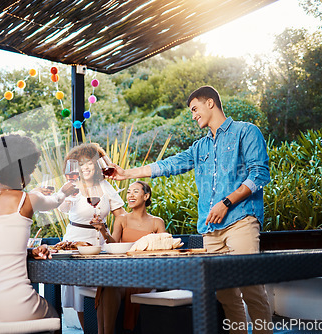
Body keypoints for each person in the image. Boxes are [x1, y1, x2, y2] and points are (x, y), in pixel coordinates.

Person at [109, 86, 272, 334]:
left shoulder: (246, 131)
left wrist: (226, 202)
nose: (193, 115)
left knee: (251, 287)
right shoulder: (199, 148)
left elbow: (259, 174)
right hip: (210, 230)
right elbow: (169, 165)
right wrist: (126, 173)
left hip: (240, 220)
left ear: (210, 103)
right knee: (226, 297)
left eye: (195, 109)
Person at [0, 134, 75, 324]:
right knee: (54, 317)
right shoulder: (28, 199)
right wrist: (63, 192)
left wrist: (29, 251)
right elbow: (54, 201)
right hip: (13, 303)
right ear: (22, 171)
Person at [59, 143, 126, 329]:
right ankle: (88, 331)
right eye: (80, 164)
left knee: (102, 289)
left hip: (101, 244)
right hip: (76, 244)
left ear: (96, 165)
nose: (85, 167)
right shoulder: (72, 186)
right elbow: (61, 207)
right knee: (79, 295)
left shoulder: (104, 186)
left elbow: (121, 215)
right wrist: (64, 196)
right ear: (75, 168)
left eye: (89, 163)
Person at [92, 181, 165, 334]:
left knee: (109, 284)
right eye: (129, 192)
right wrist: (103, 231)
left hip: (146, 275)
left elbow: (163, 251)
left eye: (135, 191)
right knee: (108, 284)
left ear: (146, 196)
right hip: (123, 273)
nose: (130, 195)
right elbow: (114, 244)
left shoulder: (157, 222)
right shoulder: (122, 219)